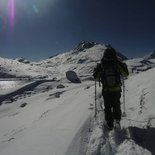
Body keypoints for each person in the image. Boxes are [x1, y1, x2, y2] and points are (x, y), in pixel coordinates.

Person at [93, 47, 129, 130]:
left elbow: (96, 78)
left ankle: (109, 123)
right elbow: (125, 75)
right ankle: (117, 121)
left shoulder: (101, 64)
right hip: (116, 90)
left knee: (107, 106)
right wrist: (124, 66)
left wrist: (96, 70)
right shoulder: (117, 63)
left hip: (106, 90)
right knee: (116, 105)